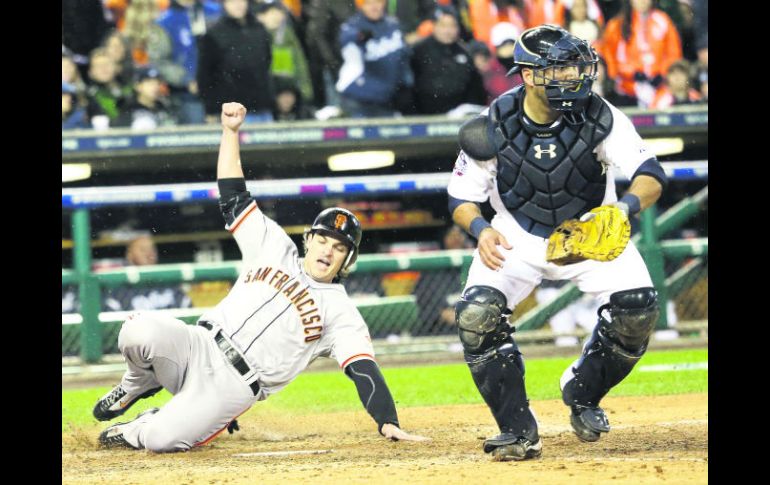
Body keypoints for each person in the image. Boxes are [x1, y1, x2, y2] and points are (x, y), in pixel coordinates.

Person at [93, 101, 429, 452]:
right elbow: (233, 195)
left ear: (348, 260)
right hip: (198, 344)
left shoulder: (342, 314)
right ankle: (137, 383)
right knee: (137, 328)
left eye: (340, 248)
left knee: (161, 440)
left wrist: (387, 420)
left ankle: (138, 428)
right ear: (309, 239)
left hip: (233, 386)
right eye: (323, 240)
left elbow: (363, 371)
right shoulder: (273, 246)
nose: (328, 251)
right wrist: (229, 133)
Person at [447, 25, 667, 461]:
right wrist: (480, 229)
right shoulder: (493, 124)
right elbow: (461, 197)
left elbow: (651, 175)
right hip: (516, 237)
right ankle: (517, 431)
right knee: (476, 316)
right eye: (560, 68)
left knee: (637, 310)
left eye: (575, 66)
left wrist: (622, 209)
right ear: (528, 76)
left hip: (590, 234)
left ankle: (582, 391)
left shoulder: (600, 114)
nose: (573, 76)